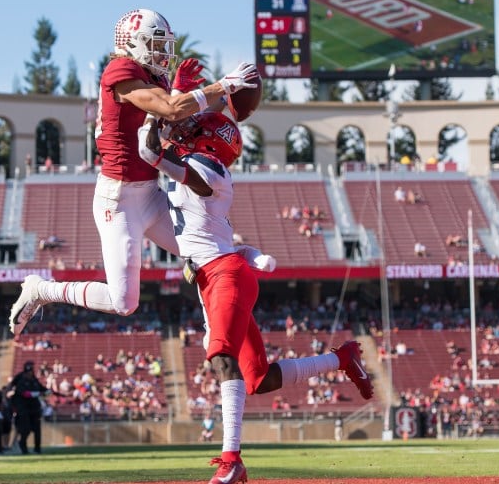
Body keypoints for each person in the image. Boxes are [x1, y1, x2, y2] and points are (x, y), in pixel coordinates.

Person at [137, 111, 373, 484]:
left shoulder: (209, 167)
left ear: (210, 142)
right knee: (258, 380)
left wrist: (157, 111)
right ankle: (342, 358)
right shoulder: (200, 164)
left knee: (223, 358)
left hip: (224, 277)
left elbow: (150, 154)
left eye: (195, 131)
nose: (187, 133)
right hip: (216, 275)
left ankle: (232, 460)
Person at [9, 7, 263, 336]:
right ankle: (42, 290)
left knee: (206, 251)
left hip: (149, 192)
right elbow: (168, 108)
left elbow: (171, 116)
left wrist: (188, 93)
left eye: (163, 45)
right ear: (133, 43)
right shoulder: (121, 70)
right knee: (123, 302)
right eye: (155, 44)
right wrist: (221, 87)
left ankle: (215, 330)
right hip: (118, 200)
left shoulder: (153, 76)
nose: (162, 53)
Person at [7, 360, 48, 455]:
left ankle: (37, 448)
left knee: (37, 429)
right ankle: (23, 446)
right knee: (26, 429)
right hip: (24, 409)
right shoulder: (20, 381)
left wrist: (47, 391)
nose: (30, 374)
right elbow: (25, 394)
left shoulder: (34, 380)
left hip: (34, 408)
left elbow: (41, 388)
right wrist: (40, 393)